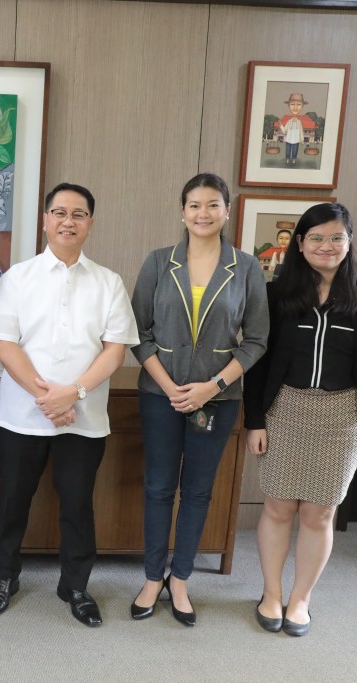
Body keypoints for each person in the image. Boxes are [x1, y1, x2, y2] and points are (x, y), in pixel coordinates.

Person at [0, 183, 138, 626]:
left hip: (83, 419)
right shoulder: (18, 278)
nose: (68, 221)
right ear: (46, 220)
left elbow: (115, 351)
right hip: (21, 418)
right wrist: (48, 398)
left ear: (90, 223)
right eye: (60, 212)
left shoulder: (108, 282)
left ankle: (76, 586)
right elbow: (5, 345)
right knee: (12, 502)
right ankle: (4, 578)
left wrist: (75, 394)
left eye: (78, 214)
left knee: (78, 505)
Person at [244, 203, 357, 637]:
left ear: (349, 242)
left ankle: (300, 599)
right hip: (284, 409)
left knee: (320, 513)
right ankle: (271, 593)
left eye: (336, 238)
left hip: (342, 417)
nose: (327, 246)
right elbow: (258, 362)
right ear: (300, 243)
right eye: (316, 238)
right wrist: (255, 420)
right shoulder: (276, 296)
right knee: (278, 507)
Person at [129, 173, 268, 626]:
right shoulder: (158, 262)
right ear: (182, 211)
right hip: (160, 395)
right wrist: (169, 386)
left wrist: (214, 386)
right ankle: (153, 577)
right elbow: (138, 332)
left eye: (212, 205)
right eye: (194, 205)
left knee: (198, 490)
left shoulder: (246, 267)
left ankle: (181, 580)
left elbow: (257, 340)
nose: (202, 213)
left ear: (227, 211)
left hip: (217, 399)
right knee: (158, 487)